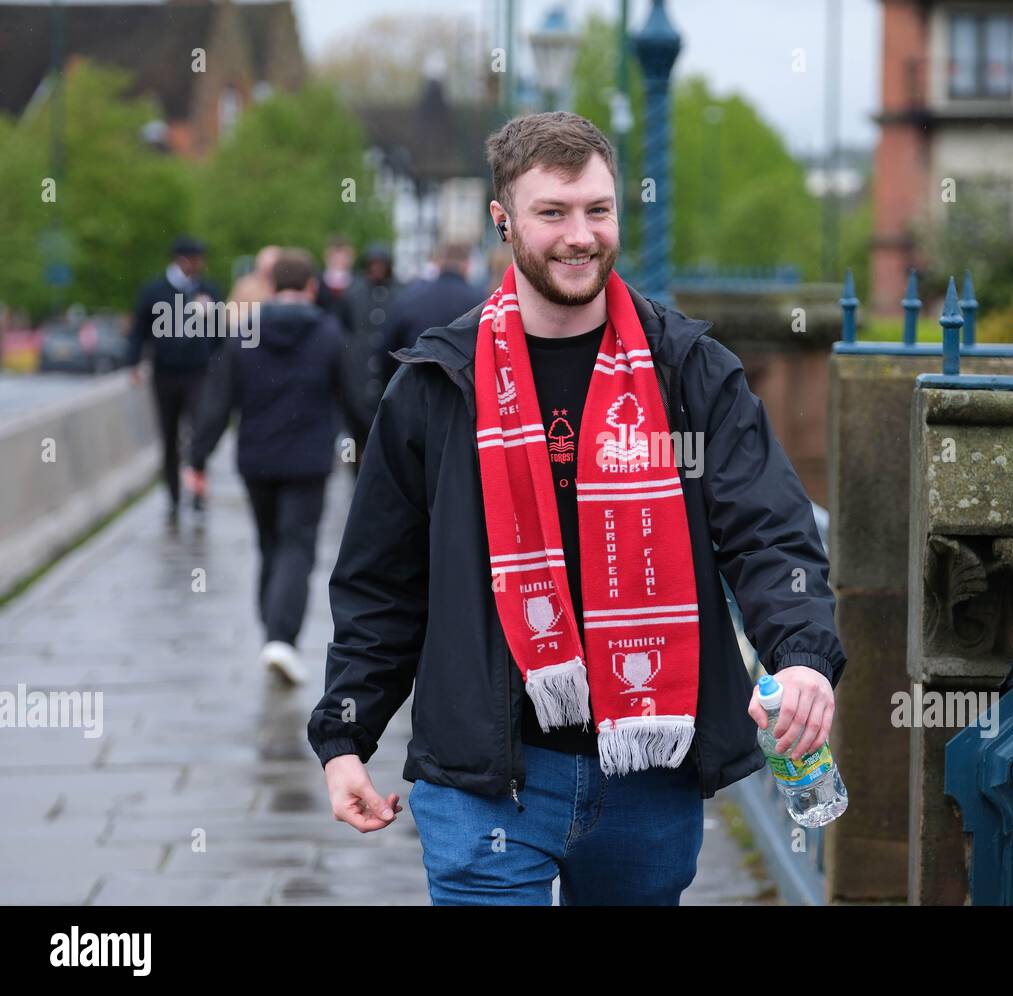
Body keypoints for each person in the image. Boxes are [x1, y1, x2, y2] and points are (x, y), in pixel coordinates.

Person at [307, 111, 847, 906]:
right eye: (552, 213)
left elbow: (768, 530)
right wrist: (344, 737)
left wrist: (801, 653)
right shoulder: (436, 387)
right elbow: (383, 583)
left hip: (646, 776)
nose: (580, 235)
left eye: (597, 210)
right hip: (485, 780)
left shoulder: (690, 371)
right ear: (503, 221)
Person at [188, 249, 367, 684]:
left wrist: (197, 459)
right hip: (307, 460)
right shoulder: (329, 334)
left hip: (256, 459)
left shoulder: (243, 332)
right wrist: (373, 449)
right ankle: (281, 638)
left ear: (270, 287)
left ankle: (272, 632)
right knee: (297, 546)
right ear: (311, 287)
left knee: (269, 544)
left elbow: (217, 403)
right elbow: (356, 402)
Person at [125, 235, 225, 527]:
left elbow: (220, 335)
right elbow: (139, 329)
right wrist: (133, 363)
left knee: (199, 432)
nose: (201, 264)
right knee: (169, 435)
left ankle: (197, 491)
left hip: (199, 373)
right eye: (196, 259)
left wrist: (219, 366)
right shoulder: (155, 291)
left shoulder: (208, 291)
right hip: (166, 374)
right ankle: (173, 495)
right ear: (183, 260)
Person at [383, 242, 486, 385]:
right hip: (466, 391)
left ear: (438, 263)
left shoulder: (410, 297)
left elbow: (388, 348)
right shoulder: (482, 302)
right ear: (467, 265)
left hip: (416, 385)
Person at [339, 242, 403, 466]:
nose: (377, 269)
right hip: (359, 375)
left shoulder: (399, 292)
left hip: (388, 372)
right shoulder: (353, 294)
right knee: (356, 439)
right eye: (372, 264)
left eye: (381, 265)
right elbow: (345, 331)